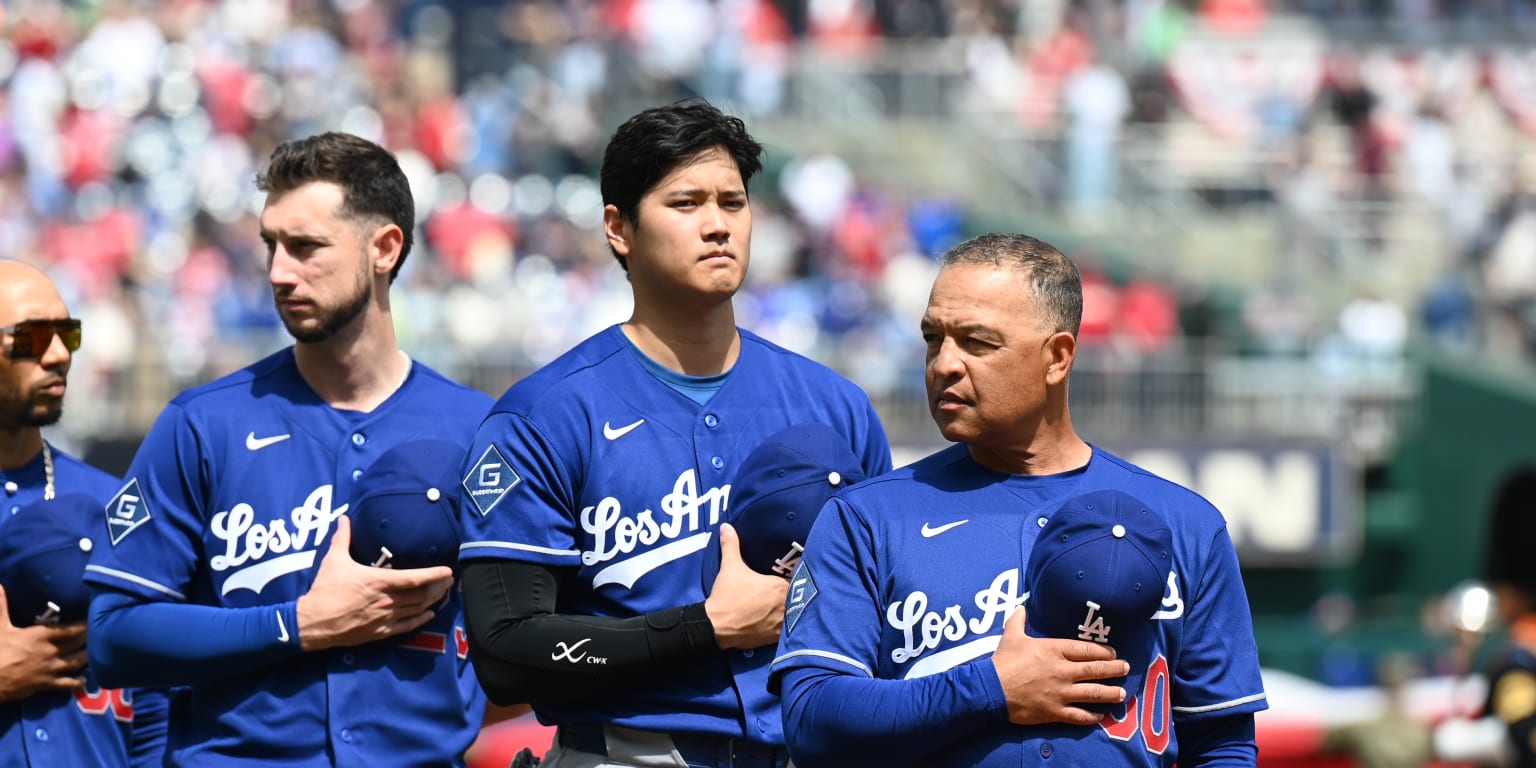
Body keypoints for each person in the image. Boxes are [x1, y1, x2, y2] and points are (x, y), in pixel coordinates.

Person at [456, 98, 892, 768]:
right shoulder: (543, 416)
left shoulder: (836, 407)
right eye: (685, 203)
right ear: (618, 228)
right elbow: (505, 651)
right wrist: (704, 629)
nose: (718, 225)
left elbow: (883, 625)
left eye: (734, 202)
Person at [770, 232, 1268, 767]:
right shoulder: (865, 518)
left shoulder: (1187, 524)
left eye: (977, 342)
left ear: (1057, 357)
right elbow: (811, 719)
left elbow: (1222, 743)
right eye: (934, 338)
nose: (944, 365)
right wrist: (991, 689)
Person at [82, 132, 498, 767]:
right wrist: (296, 624)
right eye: (271, 245)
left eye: (306, 247)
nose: (279, 271)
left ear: (385, 248)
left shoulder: (481, 428)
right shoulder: (202, 424)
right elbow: (114, 636)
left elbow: (529, 630)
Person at [0, 261, 167, 767]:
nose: (57, 356)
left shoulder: (116, 503)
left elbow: (157, 696)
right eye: (31, 338)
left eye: (66, 334)